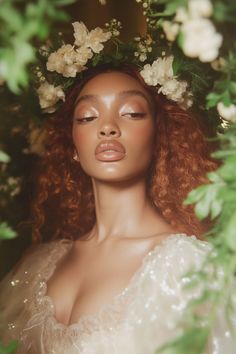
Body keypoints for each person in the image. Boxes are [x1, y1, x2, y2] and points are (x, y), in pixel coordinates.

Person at [0, 64, 234, 353]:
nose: (107, 127)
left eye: (131, 113)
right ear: (72, 145)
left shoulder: (189, 269)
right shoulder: (34, 270)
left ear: (159, 135)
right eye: (88, 117)